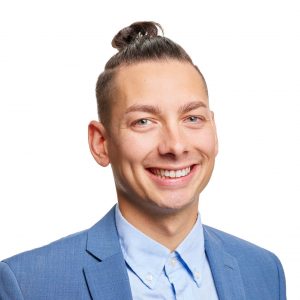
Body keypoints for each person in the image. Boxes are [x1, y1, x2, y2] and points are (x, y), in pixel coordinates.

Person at [0, 21, 286, 300]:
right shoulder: (27, 285)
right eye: (144, 121)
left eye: (192, 118)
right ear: (101, 143)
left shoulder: (263, 272)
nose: (175, 145)